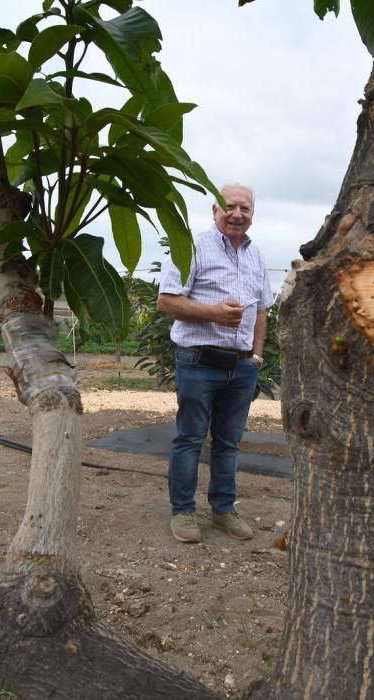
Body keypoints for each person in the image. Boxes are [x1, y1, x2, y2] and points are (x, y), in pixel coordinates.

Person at [157, 183, 274, 543]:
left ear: (252, 215)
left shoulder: (256, 256)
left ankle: (224, 510)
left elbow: (262, 310)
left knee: (229, 441)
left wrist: (255, 355)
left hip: (241, 367)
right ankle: (183, 512)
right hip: (198, 361)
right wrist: (212, 314)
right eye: (230, 206)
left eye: (246, 208)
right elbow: (166, 301)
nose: (238, 214)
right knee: (190, 438)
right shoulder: (191, 246)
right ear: (214, 210)